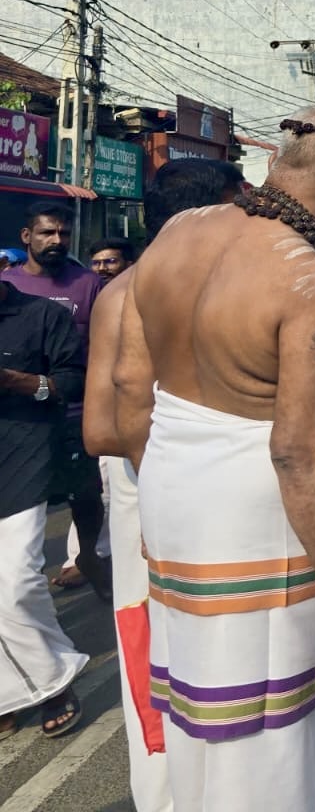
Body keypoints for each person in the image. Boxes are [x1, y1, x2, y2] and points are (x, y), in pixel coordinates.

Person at [113, 109, 315, 810]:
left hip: (174, 491)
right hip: (260, 514)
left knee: (202, 696)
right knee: (274, 708)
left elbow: (131, 388)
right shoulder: (312, 279)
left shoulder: (175, 235)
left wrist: (165, 486)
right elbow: (295, 450)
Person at [82, 158, 242, 812]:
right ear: (212, 213)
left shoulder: (236, 286)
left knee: (230, 667)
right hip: (156, 512)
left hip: (217, 514)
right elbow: (101, 429)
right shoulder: (127, 295)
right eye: (241, 205)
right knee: (156, 665)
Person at [0, 271, 88, 741]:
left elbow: (70, 384)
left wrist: (14, 381)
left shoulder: (43, 315)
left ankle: (53, 682)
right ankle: (10, 691)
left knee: (16, 581)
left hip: (24, 457)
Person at [9, 203, 107, 599]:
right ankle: (21, 583)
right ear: (26, 237)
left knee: (84, 495)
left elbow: (103, 344)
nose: (57, 241)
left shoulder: (87, 284)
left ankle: (88, 557)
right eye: (48, 233)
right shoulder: (10, 285)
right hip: (20, 416)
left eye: (64, 234)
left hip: (75, 410)